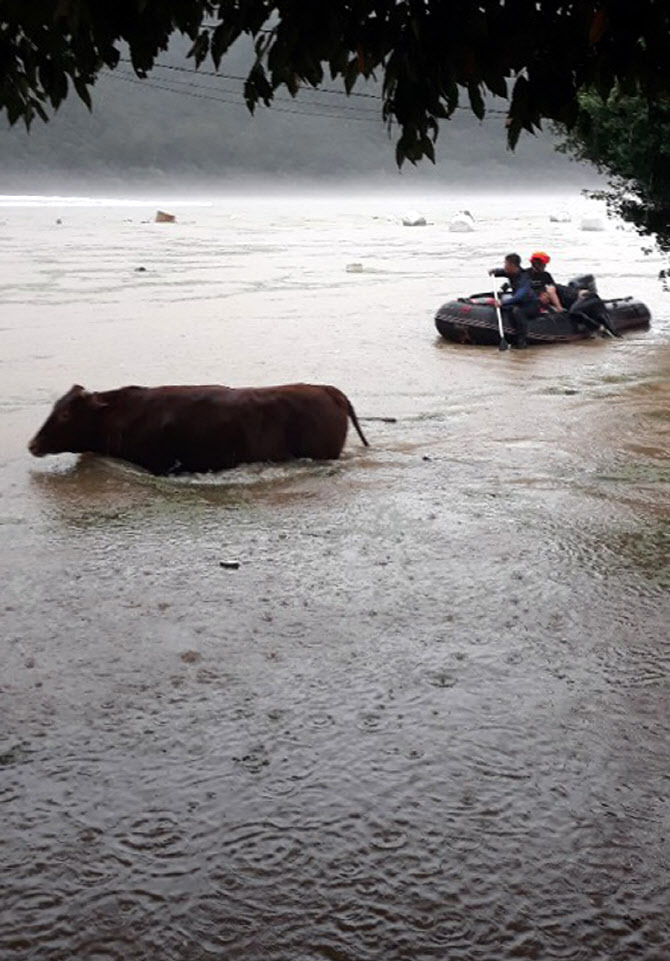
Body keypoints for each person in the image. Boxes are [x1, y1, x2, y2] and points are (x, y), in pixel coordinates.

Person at [489, 253, 539, 348]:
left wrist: (502, 302)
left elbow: (519, 296)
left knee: (518, 312)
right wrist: (494, 271)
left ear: (512, 265)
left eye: (506, 264)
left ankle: (522, 340)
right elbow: (502, 272)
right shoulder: (512, 273)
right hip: (520, 302)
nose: (504, 266)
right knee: (506, 308)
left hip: (531, 305)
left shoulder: (523, 279)